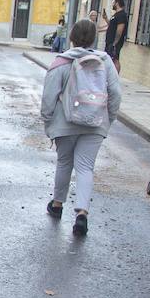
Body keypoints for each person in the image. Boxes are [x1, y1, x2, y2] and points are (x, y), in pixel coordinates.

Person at [40, 19, 122, 236]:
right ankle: (82, 214)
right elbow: (116, 94)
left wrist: (48, 120)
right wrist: (108, 118)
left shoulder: (61, 62)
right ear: (94, 38)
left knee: (64, 162)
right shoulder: (105, 62)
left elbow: (49, 96)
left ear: (72, 37)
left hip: (65, 123)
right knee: (86, 167)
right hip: (95, 123)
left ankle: (57, 204)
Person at [104, 0, 129, 73]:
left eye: (114, 3)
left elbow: (119, 30)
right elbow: (111, 26)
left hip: (115, 42)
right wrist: (106, 19)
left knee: (115, 59)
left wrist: (115, 43)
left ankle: (115, 76)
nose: (113, 4)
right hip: (110, 41)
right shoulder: (116, 15)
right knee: (110, 58)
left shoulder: (121, 15)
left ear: (117, 3)